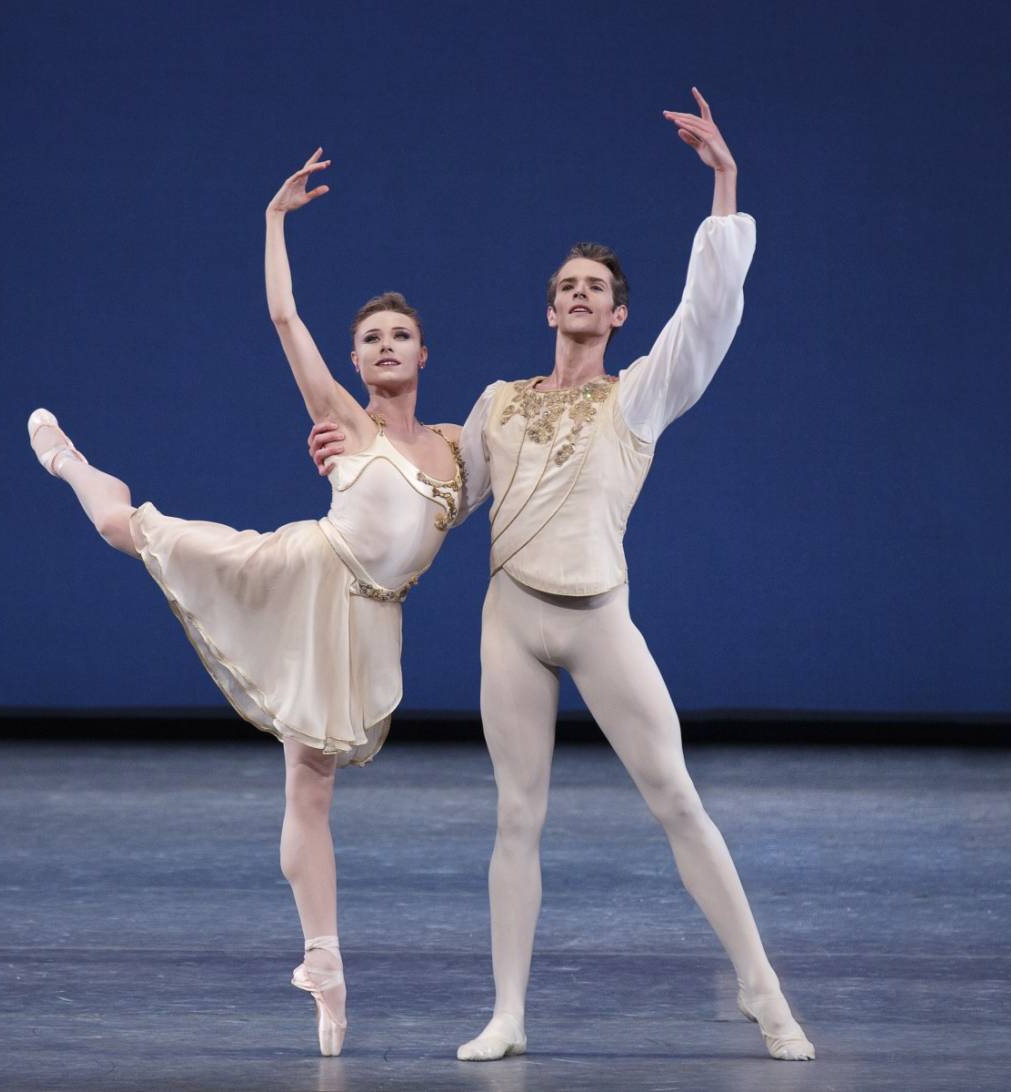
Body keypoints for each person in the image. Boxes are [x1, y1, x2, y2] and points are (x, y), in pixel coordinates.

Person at [308, 91, 814, 1062]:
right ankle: (507, 1013)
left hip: (598, 620)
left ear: (617, 314)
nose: (579, 295)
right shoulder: (498, 401)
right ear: (548, 308)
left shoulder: (640, 396)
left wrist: (722, 182)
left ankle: (761, 989)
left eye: (596, 288)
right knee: (515, 815)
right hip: (511, 622)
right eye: (566, 286)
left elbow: (706, 317)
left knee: (674, 798)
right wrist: (355, 463)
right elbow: (444, 494)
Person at [26, 150, 465, 1057]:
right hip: (302, 575)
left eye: (401, 336)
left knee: (311, 785)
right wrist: (274, 221)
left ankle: (325, 969)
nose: (386, 347)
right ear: (356, 360)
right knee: (134, 531)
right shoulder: (341, 419)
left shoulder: (463, 451)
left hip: (367, 618)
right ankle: (70, 462)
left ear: (427, 353)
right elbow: (282, 315)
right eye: (372, 338)